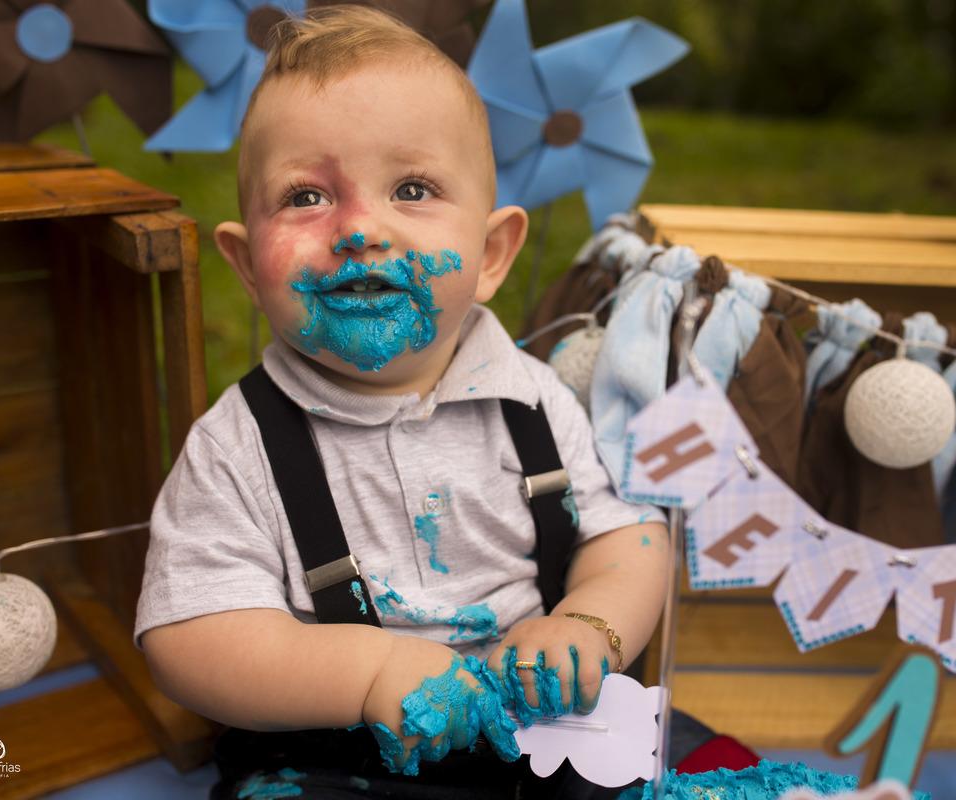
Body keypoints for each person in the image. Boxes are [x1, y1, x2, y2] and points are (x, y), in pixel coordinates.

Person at [135, 7, 681, 798]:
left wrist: (589, 624)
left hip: (545, 731)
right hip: (336, 755)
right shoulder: (237, 445)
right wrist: (369, 673)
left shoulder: (535, 402)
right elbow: (189, 641)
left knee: (676, 773)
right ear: (248, 267)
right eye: (306, 196)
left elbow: (630, 536)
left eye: (413, 188)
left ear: (492, 253)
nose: (361, 228)